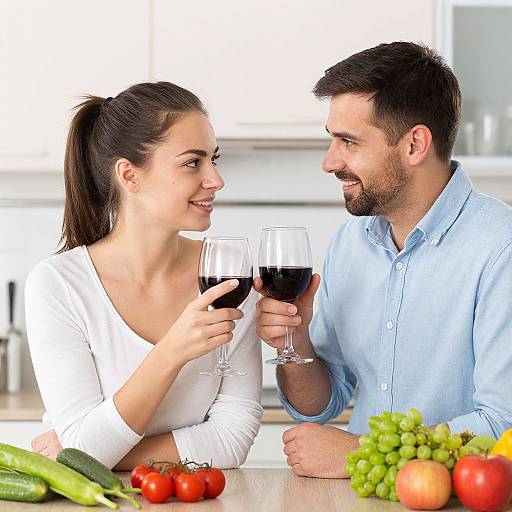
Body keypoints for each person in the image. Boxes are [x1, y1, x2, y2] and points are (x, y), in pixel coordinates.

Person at [254, 42, 512, 478]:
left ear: (415, 144)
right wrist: (292, 343)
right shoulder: (350, 242)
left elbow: (502, 425)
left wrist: (360, 451)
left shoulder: (499, 250)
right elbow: (320, 404)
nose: (329, 162)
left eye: (348, 142)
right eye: (331, 139)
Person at [25, 82, 262, 470]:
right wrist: (172, 351)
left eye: (213, 160)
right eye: (193, 162)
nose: (215, 179)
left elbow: (231, 440)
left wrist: (92, 454)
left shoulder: (228, 273)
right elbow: (83, 450)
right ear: (129, 176)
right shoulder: (59, 285)